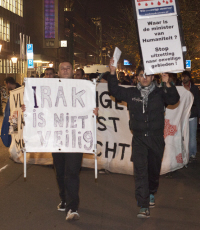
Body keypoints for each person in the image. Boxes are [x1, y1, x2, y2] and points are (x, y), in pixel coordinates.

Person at [108, 59, 180, 218]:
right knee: (140, 171)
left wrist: (168, 83)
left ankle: (152, 191)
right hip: (139, 139)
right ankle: (143, 204)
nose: (144, 78)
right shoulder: (131, 93)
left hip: (155, 139)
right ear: (137, 77)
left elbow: (174, 99)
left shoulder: (161, 93)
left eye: (147, 75)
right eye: (141, 75)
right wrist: (112, 72)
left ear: (153, 77)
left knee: (153, 171)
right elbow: (114, 90)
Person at [52, 62, 97, 221]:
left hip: (75, 138)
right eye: (62, 68)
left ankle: (72, 207)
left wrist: (94, 111)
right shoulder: (50, 89)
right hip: (56, 137)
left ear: (73, 72)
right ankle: (64, 199)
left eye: (68, 68)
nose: (65, 69)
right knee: (60, 171)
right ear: (58, 72)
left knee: (72, 172)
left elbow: (91, 106)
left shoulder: (83, 88)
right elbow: (40, 107)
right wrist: (28, 109)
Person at [182, 71, 200, 162]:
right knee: (183, 135)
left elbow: (197, 101)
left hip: (192, 114)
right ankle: (184, 152)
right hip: (182, 114)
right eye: (183, 77)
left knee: (192, 135)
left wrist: (198, 114)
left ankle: (192, 153)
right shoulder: (179, 87)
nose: (184, 78)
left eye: (185, 77)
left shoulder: (194, 88)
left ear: (189, 78)